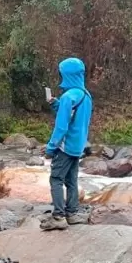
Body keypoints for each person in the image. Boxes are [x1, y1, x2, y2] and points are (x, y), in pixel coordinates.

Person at [40, 57, 94, 231]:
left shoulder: (68, 96)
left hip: (65, 147)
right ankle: (72, 213)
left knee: (56, 178)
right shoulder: (86, 96)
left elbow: (62, 126)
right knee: (72, 180)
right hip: (78, 147)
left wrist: (50, 147)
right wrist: (55, 104)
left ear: (66, 75)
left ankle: (58, 216)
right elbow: (76, 118)